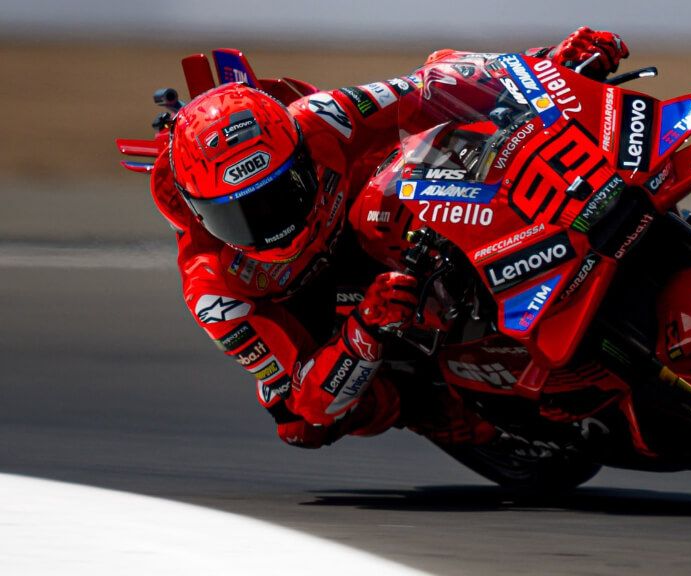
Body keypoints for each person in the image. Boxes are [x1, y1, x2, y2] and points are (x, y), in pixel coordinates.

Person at [148, 27, 629, 449]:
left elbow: (437, 81)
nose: (270, 224)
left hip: (394, 216)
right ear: (197, 212)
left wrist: (551, 61)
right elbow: (308, 400)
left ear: (298, 152)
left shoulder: (322, 116)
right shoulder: (212, 287)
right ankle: (428, 412)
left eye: (280, 195)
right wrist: (364, 330)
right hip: (325, 314)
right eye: (239, 216)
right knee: (299, 424)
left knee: (417, 168)